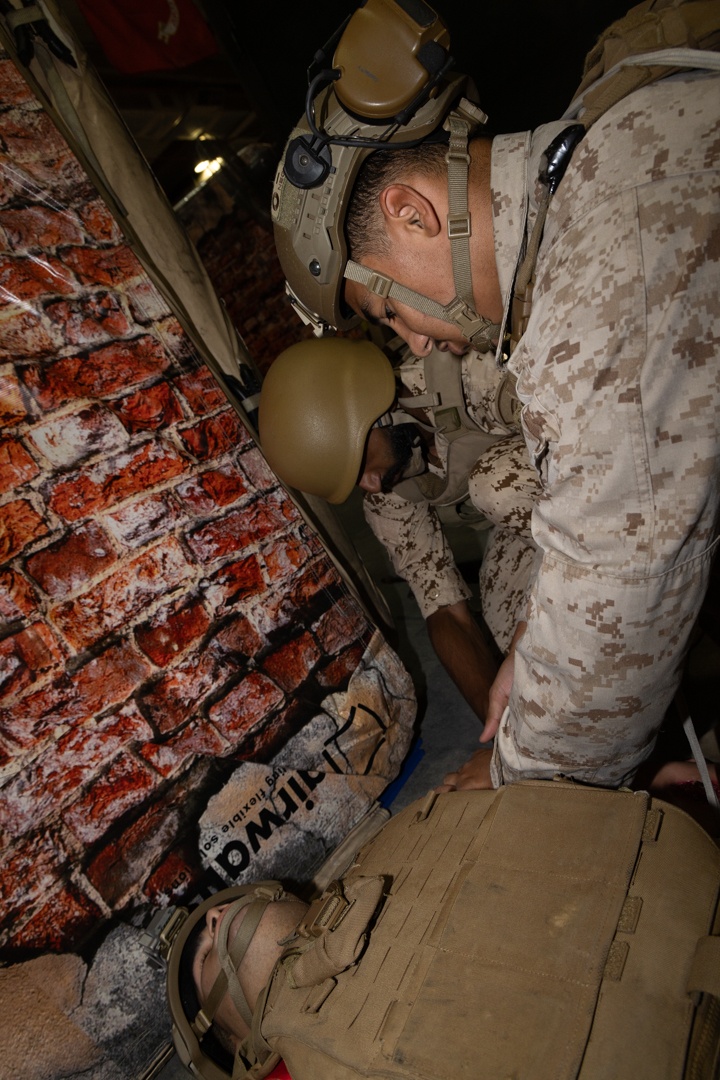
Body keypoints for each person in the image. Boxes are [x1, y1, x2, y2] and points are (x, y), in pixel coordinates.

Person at [271, 0, 720, 791]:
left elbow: (621, 585)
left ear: (411, 214)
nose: (411, 338)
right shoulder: (596, 159)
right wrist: (521, 676)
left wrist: (521, 770)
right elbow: (456, 602)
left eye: (387, 312)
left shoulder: (596, 293)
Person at [164, 782, 720, 1080]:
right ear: (240, 1048)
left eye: (210, 919)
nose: (214, 918)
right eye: (204, 958)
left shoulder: (399, 835)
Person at [258, 335, 542, 737]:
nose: (371, 486)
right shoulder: (388, 494)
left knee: (496, 486)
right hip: (536, 521)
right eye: (354, 482)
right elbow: (445, 611)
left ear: (374, 408)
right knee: (503, 633)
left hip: (608, 488)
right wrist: (503, 736)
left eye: (360, 464)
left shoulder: (477, 370)